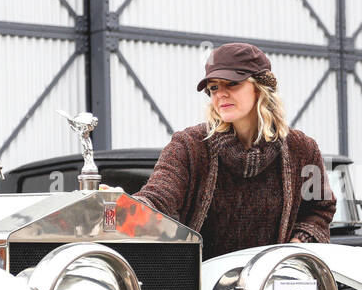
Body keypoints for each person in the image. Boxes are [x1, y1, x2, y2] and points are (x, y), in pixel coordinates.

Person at [131, 42, 335, 258]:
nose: (221, 94)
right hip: (201, 283)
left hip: (273, 281)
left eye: (232, 83)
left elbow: (319, 210)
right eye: (214, 87)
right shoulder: (187, 146)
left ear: (260, 87)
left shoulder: (303, 149)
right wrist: (127, 207)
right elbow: (158, 198)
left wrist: (294, 250)